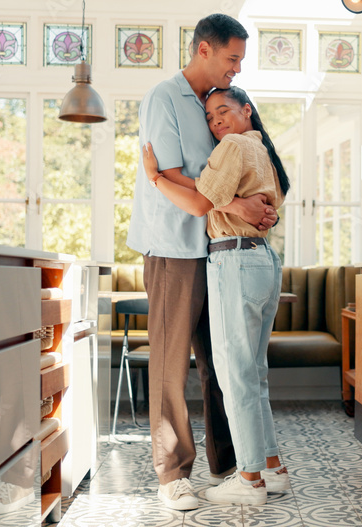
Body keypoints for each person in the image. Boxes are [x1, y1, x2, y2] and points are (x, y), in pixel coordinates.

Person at [125, 13, 277, 511]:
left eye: (240, 61)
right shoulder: (164, 98)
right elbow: (170, 177)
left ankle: (234, 465)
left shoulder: (219, 109)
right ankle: (172, 475)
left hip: (218, 251)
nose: (236, 69)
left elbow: (232, 173)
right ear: (204, 50)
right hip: (173, 247)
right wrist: (236, 206)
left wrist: (254, 204)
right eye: (232, 58)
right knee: (171, 366)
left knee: (222, 363)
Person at [142, 85, 290, 506]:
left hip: (234, 262)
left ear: (247, 110)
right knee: (255, 374)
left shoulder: (232, 148)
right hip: (263, 260)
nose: (216, 121)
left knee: (234, 374)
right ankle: (272, 467)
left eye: (224, 110)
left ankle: (249, 480)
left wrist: (155, 177)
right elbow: (243, 204)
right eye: (210, 117)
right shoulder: (263, 151)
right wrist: (239, 205)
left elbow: (198, 203)